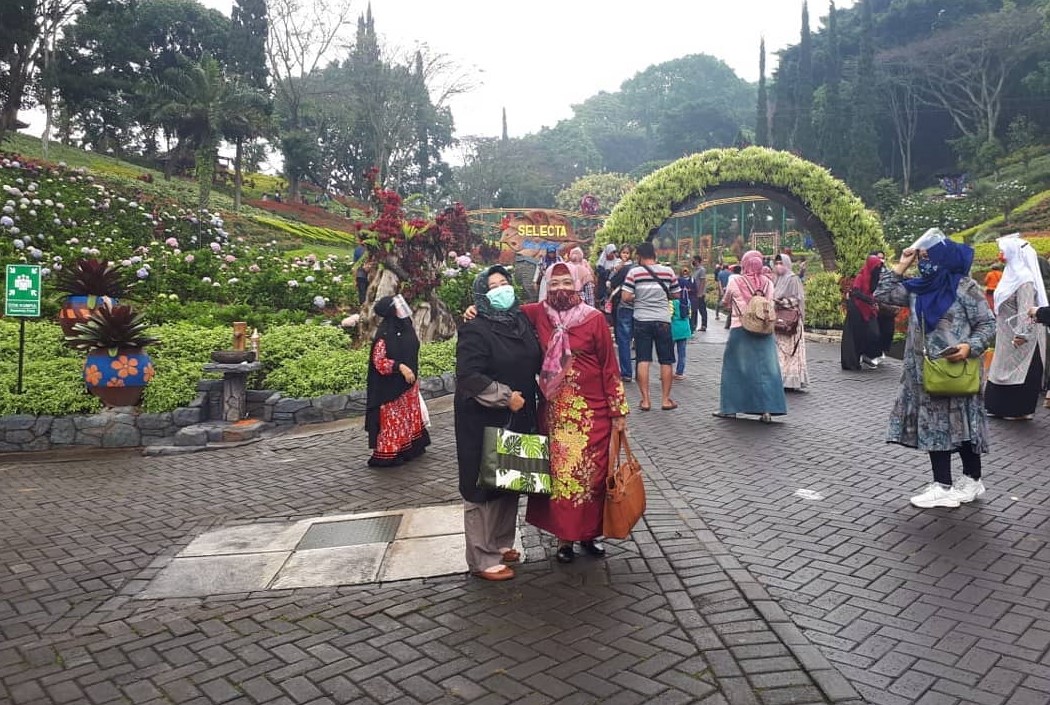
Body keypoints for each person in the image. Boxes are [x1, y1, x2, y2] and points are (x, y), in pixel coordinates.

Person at [874, 231, 996, 509]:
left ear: (945, 259)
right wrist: (903, 263)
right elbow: (882, 295)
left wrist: (970, 347)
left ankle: (969, 480)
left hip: (957, 369)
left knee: (964, 424)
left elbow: (988, 324)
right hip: (924, 371)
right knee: (935, 425)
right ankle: (944, 482)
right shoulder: (919, 287)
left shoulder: (965, 287)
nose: (923, 263)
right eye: (922, 257)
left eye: (929, 257)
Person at [523, 263, 629, 563]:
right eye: (553, 283)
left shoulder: (594, 319)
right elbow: (505, 314)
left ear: (579, 283)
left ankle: (590, 535)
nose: (560, 289)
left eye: (566, 282)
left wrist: (618, 411)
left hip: (593, 415)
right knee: (562, 478)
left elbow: (610, 367)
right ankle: (565, 540)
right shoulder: (538, 314)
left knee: (593, 478)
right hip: (556, 415)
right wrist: (475, 311)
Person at [455, 266, 543, 581]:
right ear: (481, 294)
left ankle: (502, 543)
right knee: (480, 487)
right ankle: (481, 557)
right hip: (484, 416)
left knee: (510, 481)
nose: (500, 290)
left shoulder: (521, 320)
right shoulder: (475, 328)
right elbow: (467, 376)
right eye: (492, 286)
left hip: (519, 415)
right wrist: (505, 397)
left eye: (504, 283)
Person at [713, 250, 787, 423]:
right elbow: (770, 303)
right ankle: (767, 410)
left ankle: (730, 409)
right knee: (766, 371)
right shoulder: (768, 282)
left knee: (734, 369)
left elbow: (726, 301)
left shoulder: (735, 281)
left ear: (745, 263)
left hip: (741, 328)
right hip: (764, 329)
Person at [985, 236, 1048, 421]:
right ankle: (998, 407)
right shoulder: (1010, 275)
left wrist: (1022, 333)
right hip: (1005, 333)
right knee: (1001, 369)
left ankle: (1016, 409)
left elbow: (1026, 309)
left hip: (1022, 338)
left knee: (1020, 371)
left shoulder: (1025, 279)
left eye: (1004, 250)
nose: (1001, 254)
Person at [366, 295, 431, 467]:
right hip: (391, 387)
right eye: (398, 306)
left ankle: (410, 449)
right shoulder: (384, 334)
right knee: (393, 419)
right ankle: (389, 453)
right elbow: (379, 362)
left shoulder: (406, 326)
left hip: (409, 384)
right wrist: (400, 367)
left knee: (408, 416)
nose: (402, 308)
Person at [622, 242, 680, 411]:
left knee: (643, 360)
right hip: (663, 320)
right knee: (666, 361)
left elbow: (625, 296)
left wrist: (639, 296)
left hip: (641, 320)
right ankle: (665, 400)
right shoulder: (668, 271)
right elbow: (676, 294)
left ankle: (646, 401)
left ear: (639, 256)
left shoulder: (634, 272)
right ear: (654, 254)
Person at [841, 255, 884, 370]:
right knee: (855, 336)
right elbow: (855, 292)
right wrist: (870, 300)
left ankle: (867, 355)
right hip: (857, 308)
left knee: (874, 333)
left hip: (869, 309)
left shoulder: (875, 278)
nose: (878, 270)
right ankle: (852, 361)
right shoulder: (861, 277)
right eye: (876, 267)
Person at [773, 253, 809, 391]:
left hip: (791, 321)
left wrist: (783, 302)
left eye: (780, 263)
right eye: (776, 263)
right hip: (779, 320)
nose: (778, 266)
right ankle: (781, 378)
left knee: (792, 351)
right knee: (780, 351)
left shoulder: (793, 279)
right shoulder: (778, 279)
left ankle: (792, 380)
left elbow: (798, 298)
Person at [608, 245, 636, 381]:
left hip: (624, 305)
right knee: (638, 340)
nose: (625, 255)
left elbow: (611, 282)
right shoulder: (640, 269)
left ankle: (626, 372)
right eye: (623, 252)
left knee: (624, 340)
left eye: (627, 253)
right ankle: (641, 371)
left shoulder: (625, 269)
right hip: (641, 307)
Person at [595, 243, 619, 313]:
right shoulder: (601, 264)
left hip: (613, 288)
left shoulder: (617, 261)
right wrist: (609, 271)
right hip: (603, 287)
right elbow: (601, 273)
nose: (613, 254)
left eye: (614, 252)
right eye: (611, 252)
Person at [676, 266, 697, 333]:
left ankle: (691, 329)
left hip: (691, 299)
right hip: (682, 300)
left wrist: (690, 290)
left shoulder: (692, 279)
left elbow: (695, 289)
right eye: (684, 272)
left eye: (686, 271)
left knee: (691, 314)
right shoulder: (678, 280)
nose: (685, 273)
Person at [691, 255, 709, 332]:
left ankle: (704, 325)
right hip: (694, 293)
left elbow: (702, 281)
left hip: (699, 294)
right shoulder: (695, 270)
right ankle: (694, 325)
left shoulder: (702, 270)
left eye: (693, 260)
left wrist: (700, 293)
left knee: (702, 310)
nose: (692, 261)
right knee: (694, 310)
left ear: (697, 260)